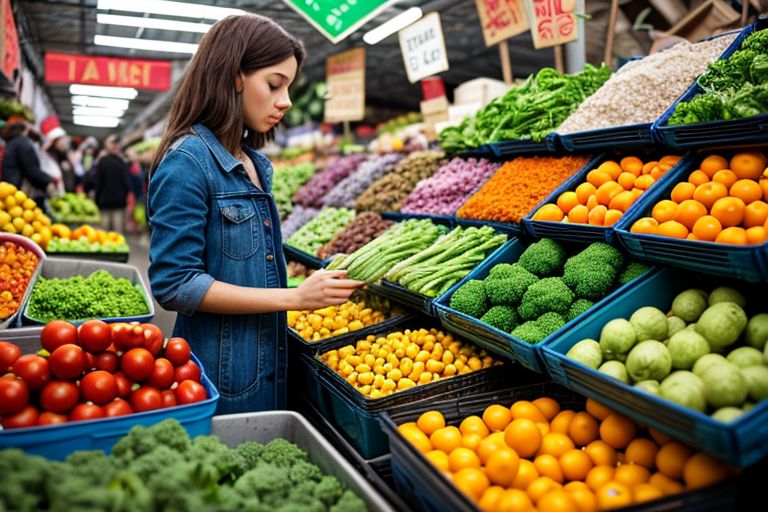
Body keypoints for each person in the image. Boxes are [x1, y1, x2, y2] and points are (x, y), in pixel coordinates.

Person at [147, 14, 364, 414]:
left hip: (267, 364)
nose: (286, 101)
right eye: (274, 84)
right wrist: (295, 297)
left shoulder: (255, 164)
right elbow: (175, 283)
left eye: (289, 87)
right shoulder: (187, 163)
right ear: (234, 77)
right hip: (218, 378)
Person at [1, 121, 55, 205]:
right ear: (24, 131)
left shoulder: (10, 143)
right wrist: (47, 182)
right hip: (20, 193)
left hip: (10, 192)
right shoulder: (22, 142)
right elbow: (31, 169)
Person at [94, 134, 132, 233]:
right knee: (112, 235)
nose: (115, 145)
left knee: (108, 236)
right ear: (106, 145)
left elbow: (97, 183)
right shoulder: (121, 162)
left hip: (113, 205)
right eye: (113, 143)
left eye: (116, 143)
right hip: (110, 205)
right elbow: (98, 183)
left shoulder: (105, 161)